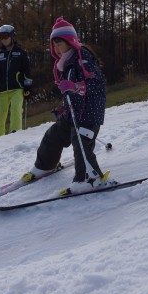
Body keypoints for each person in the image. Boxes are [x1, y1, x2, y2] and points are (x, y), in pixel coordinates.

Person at [21, 17, 114, 194]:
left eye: (59, 44)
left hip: (88, 114)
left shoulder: (82, 59)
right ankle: (45, 165)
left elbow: (98, 85)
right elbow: (71, 94)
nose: (56, 49)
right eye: (53, 45)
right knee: (53, 135)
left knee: (81, 142)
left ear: (70, 42)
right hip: (73, 113)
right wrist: (64, 107)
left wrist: (75, 86)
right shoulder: (66, 62)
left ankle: (89, 178)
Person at [0, 24, 32, 137]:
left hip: (17, 88)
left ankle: (15, 134)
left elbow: (27, 72)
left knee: (16, 110)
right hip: (1, 91)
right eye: (1, 37)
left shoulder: (21, 53)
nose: (4, 39)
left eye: (6, 36)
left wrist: (28, 87)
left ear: (12, 36)